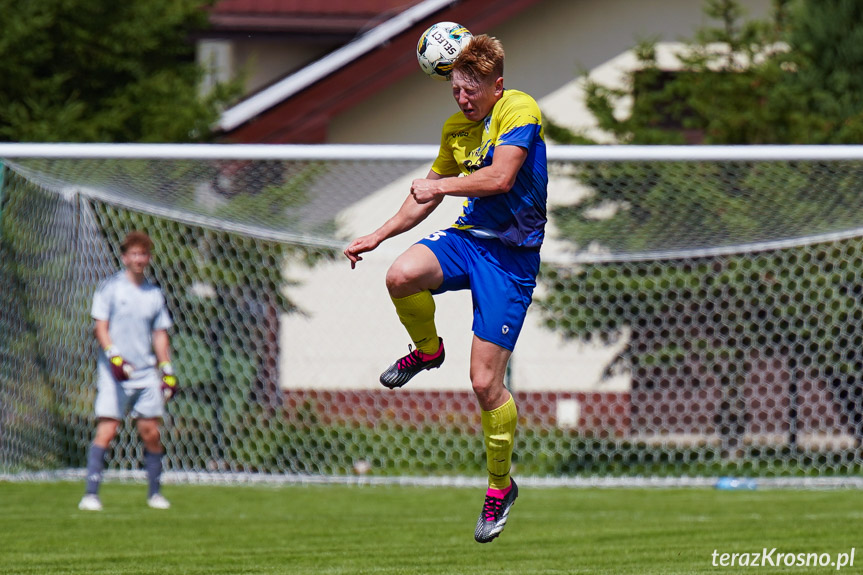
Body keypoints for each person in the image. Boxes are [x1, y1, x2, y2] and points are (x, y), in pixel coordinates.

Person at [344, 34, 547, 543]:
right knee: (400, 275)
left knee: (484, 384)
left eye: (471, 91)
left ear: (496, 86)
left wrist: (439, 185)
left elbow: (500, 178)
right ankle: (428, 350)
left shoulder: (519, 109)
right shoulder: (455, 128)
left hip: (510, 258)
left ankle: (500, 488)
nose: (462, 100)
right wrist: (376, 234)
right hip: (467, 240)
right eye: (456, 89)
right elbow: (423, 199)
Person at [78, 231, 178, 511]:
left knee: (150, 432)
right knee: (107, 429)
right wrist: (114, 358)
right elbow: (101, 326)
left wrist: (167, 371)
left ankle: (155, 493)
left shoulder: (154, 294)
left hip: (146, 373)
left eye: (143, 254)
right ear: (124, 257)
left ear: (148, 258)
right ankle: (91, 494)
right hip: (114, 372)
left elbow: (159, 336)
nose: (138, 259)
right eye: (133, 254)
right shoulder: (110, 288)